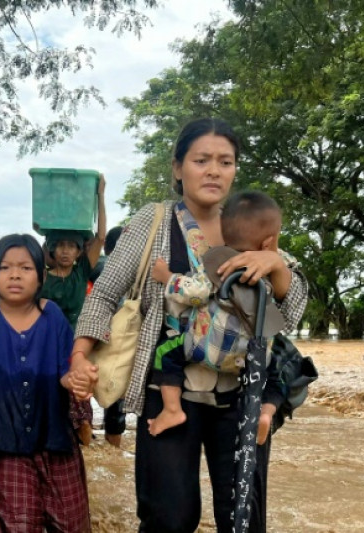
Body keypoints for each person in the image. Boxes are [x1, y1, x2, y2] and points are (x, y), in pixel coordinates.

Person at [70, 118, 307, 533]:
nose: (214, 170)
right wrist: (78, 357)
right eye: (201, 160)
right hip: (168, 389)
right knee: (169, 517)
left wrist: (278, 267)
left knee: (243, 519)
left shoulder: (252, 223)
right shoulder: (154, 220)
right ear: (178, 168)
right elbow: (105, 293)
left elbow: (292, 312)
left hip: (242, 395)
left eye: (225, 161)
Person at [0, 234, 90, 532]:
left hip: (57, 442)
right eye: (5, 267)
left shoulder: (52, 316)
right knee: (20, 526)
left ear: (40, 276)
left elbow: (65, 373)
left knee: (72, 525)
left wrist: (77, 379)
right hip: (6, 447)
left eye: (25, 268)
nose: (14, 274)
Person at [148, 191, 285, 437]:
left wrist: (167, 277)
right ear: (268, 243)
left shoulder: (218, 264)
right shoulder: (269, 273)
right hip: (253, 357)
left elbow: (196, 293)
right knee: (276, 373)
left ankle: (171, 409)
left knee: (164, 353)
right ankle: (265, 412)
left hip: (208, 349)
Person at [41, 175, 107, 445]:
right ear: (52, 249)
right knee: (51, 399)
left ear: (80, 251)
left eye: (72, 246)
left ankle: (86, 451)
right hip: (47, 345)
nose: (66, 251)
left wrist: (100, 195)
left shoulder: (82, 271)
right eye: (60, 245)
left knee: (81, 404)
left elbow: (101, 236)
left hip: (78, 344)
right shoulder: (42, 275)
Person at [93, 226, 127, 447]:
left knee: (84, 391)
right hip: (118, 342)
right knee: (115, 397)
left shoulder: (98, 265)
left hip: (92, 337)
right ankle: (114, 447)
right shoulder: (129, 268)